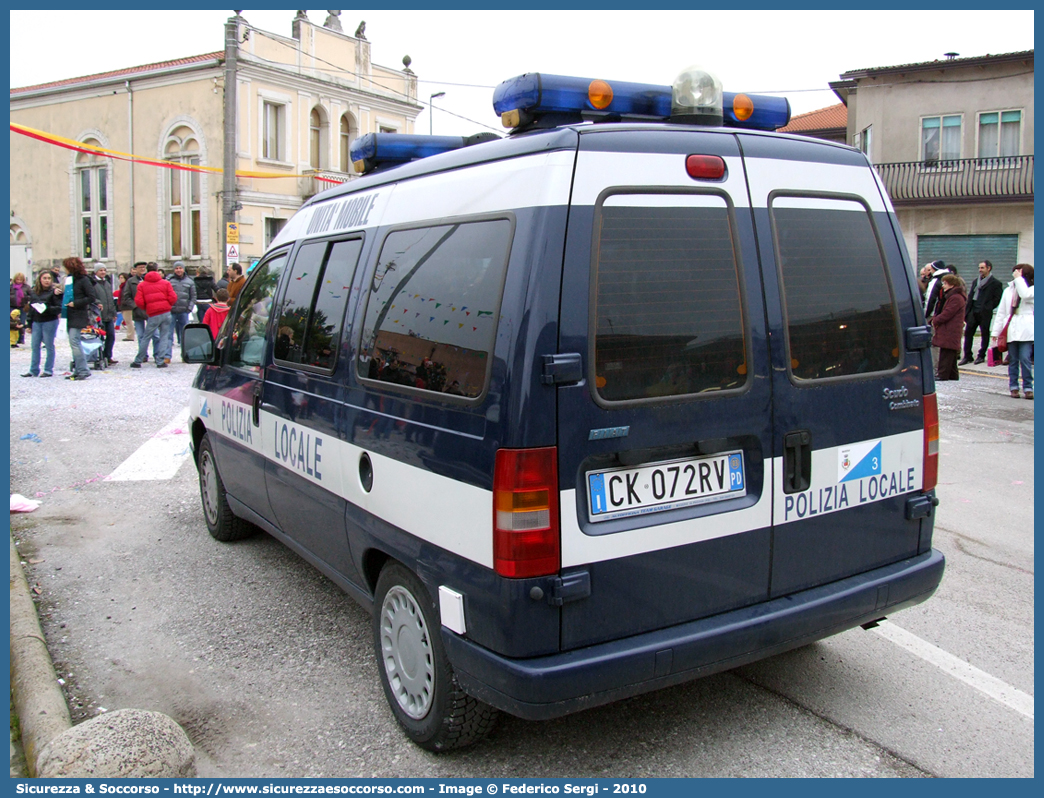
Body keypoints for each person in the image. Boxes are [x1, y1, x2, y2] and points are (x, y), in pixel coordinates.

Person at [991, 263, 1034, 399]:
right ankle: (1013, 386)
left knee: (1025, 359)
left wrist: (1018, 279)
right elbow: (1002, 312)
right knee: (1013, 360)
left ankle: (1028, 387)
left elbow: (1025, 295)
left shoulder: (1033, 288)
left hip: (1026, 329)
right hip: (1011, 328)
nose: (1014, 275)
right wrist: (996, 332)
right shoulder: (1008, 290)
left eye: (1018, 273)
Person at [130, 262, 177, 369]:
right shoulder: (165, 283)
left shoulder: (142, 284)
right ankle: (160, 361)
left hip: (153, 313)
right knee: (164, 336)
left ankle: (138, 360)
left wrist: (147, 308)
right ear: (157, 269)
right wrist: (167, 304)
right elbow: (173, 297)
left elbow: (139, 301)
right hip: (165, 312)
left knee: (146, 337)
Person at [21, 269, 64, 377]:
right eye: (44, 278)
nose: (47, 281)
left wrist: (46, 308)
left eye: (49, 278)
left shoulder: (55, 292)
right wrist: (29, 324)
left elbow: (59, 308)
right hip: (37, 321)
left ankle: (48, 369)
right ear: (40, 279)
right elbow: (31, 308)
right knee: (35, 346)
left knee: (49, 345)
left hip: (49, 320)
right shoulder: (34, 291)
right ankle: (33, 369)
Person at [959, 260, 1003, 365]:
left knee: (985, 334)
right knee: (968, 333)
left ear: (989, 268)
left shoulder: (995, 283)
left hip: (984, 312)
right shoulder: (976, 281)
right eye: (979, 268)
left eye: (982, 268)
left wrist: (988, 307)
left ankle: (981, 355)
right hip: (973, 311)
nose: (980, 270)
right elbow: (970, 295)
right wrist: (967, 310)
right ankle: (968, 356)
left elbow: (997, 299)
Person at [62, 256, 95, 381]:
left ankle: (83, 369)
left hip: (78, 314)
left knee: (75, 342)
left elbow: (91, 297)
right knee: (74, 342)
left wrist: (76, 303)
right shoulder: (70, 280)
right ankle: (78, 369)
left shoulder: (83, 280)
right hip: (69, 314)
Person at [930, 274, 967, 381]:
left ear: (952, 285)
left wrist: (935, 320)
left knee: (946, 351)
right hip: (951, 328)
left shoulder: (955, 297)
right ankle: (952, 374)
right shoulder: (954, 296)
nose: (943, 286)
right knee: (950, 352)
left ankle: (943, 374)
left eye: (945, 283)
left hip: (951, 329)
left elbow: (948, 313)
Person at [167, 260, 197, 352]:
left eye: (180, 268)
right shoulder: (169, 281)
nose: (178, 270)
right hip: (171, 311)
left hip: (184, 311)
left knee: (184, 335)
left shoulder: (190, 281)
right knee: (168, 334)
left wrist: (189, 308)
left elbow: (193, 296)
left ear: (183, 269)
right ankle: (167, 355)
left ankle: (185, 354)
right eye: (176, 268)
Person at [91, 263, 119, 366]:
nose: (103, 272)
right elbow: (92, 297)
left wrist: (114, 312)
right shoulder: (93, 283)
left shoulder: (107, 283)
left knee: (111, 336)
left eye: (104, 270)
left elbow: (110, 300)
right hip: (99, 314)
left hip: (109, 314)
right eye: (100, 270)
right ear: (96, 272)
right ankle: (99, 356)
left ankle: (108, 355)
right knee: (99, 336)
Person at [120, 262, 145, 342]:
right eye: (140, 267)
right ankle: (142, 353)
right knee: (140, 334)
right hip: (137, 311)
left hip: (149, 310)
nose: (142, 269)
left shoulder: (148, 279)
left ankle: (157, 353)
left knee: (155, 334)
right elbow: (126, 296)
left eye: (144, 267)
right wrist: (134, 305)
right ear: (136, 269)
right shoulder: (131, 281)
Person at [10, 272, 28, 345]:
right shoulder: (11, 286)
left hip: (22, 307)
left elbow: (31, 295)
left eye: (20, 279)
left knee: (21, 322)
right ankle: (12, 339)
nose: (19, 281)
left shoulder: (26, 287)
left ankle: (21, 338)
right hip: (12, 306)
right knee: (11, 323)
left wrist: (26, 299)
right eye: (17, 279)